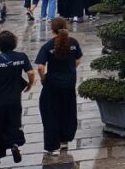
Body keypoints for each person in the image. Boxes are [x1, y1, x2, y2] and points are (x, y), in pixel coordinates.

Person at [0, 30, 34, 168]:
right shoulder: (21, 57)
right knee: (13, 124)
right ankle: (14, 143)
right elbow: (31, 72)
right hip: (14, 100)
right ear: (14, 43)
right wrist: (30, 84)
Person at [34, 18, 82, 157]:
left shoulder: (48, 46)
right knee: (67, 110)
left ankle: (52, 146)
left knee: (50, 113)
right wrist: (70, 69)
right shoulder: (73, 43)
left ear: (52, 28)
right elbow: (78, 60)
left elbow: (40, 67)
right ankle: (65, 140)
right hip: (69, 83)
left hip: (53, 84)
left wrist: (43, 79)